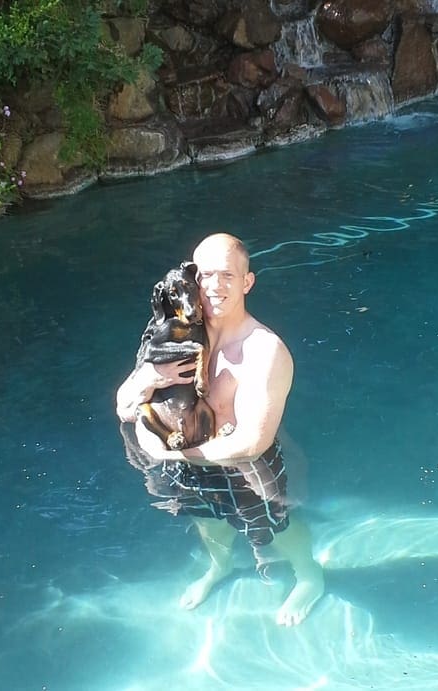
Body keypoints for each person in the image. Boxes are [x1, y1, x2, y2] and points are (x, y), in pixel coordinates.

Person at [115, 233, 324, 626]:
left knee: (276, 526)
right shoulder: (176, 336)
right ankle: (221, 568)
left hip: (244, 469)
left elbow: (252, 443)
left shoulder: (264, 351)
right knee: (207, 520)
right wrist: (149, 379)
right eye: (205, 274)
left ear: (247, 282)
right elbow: (124, 404)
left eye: (227, 275)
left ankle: (310, 576)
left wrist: (167, 452)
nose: (214, 286)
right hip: (189, 462)